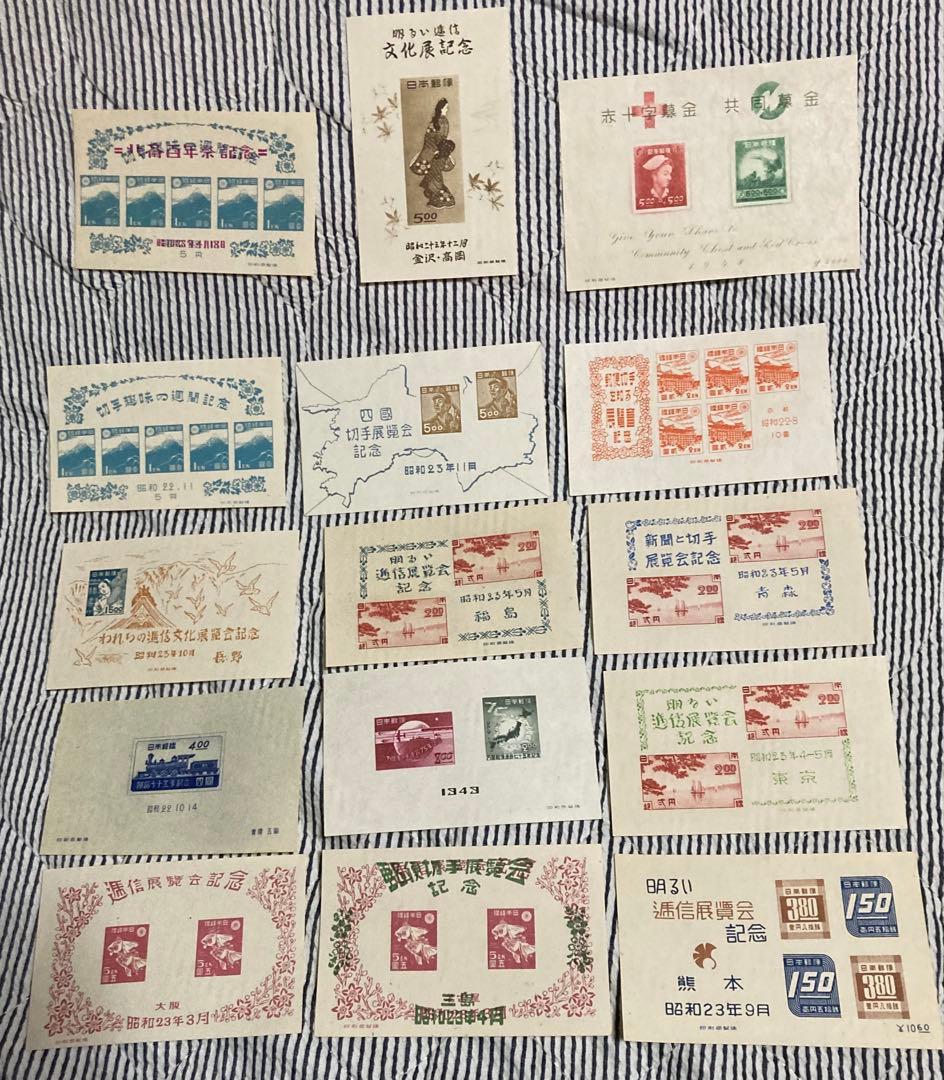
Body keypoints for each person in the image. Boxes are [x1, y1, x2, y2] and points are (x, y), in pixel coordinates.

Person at [409, 99, 457, 209]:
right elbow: (439, 138)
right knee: (435, 176)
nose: (447, 109)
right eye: (446, 107)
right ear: (441, 108)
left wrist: (431, 150)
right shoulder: (443, 121)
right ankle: (439, 199)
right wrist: (439, 150)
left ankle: (441, 199)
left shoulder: (436, 121)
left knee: (435, 176)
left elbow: (430, 138)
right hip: (438, 151)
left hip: (434, 151)